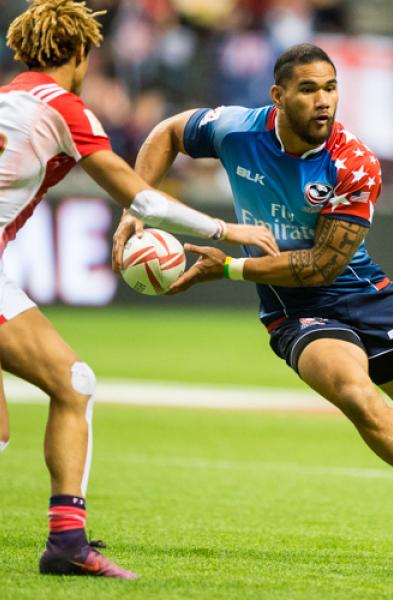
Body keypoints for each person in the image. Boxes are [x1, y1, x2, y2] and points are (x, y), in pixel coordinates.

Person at [113, 43, 393, 566]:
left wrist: (229, 268)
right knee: (355, 393)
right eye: (308, 89)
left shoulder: (354, 163)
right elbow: (169, 132)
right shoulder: (236, 130)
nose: (323, 100)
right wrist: (137, 205)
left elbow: (322, 265)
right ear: (278, 96)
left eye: (330, 88)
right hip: (295, 310)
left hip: (362, 293)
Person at [0, 0, 276, 579]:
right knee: (74, 383)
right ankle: (67, 542)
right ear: (80, 52)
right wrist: (227, 229)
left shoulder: (6, 99)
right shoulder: (63, 107)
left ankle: (66, 542)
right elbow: (142, 198)